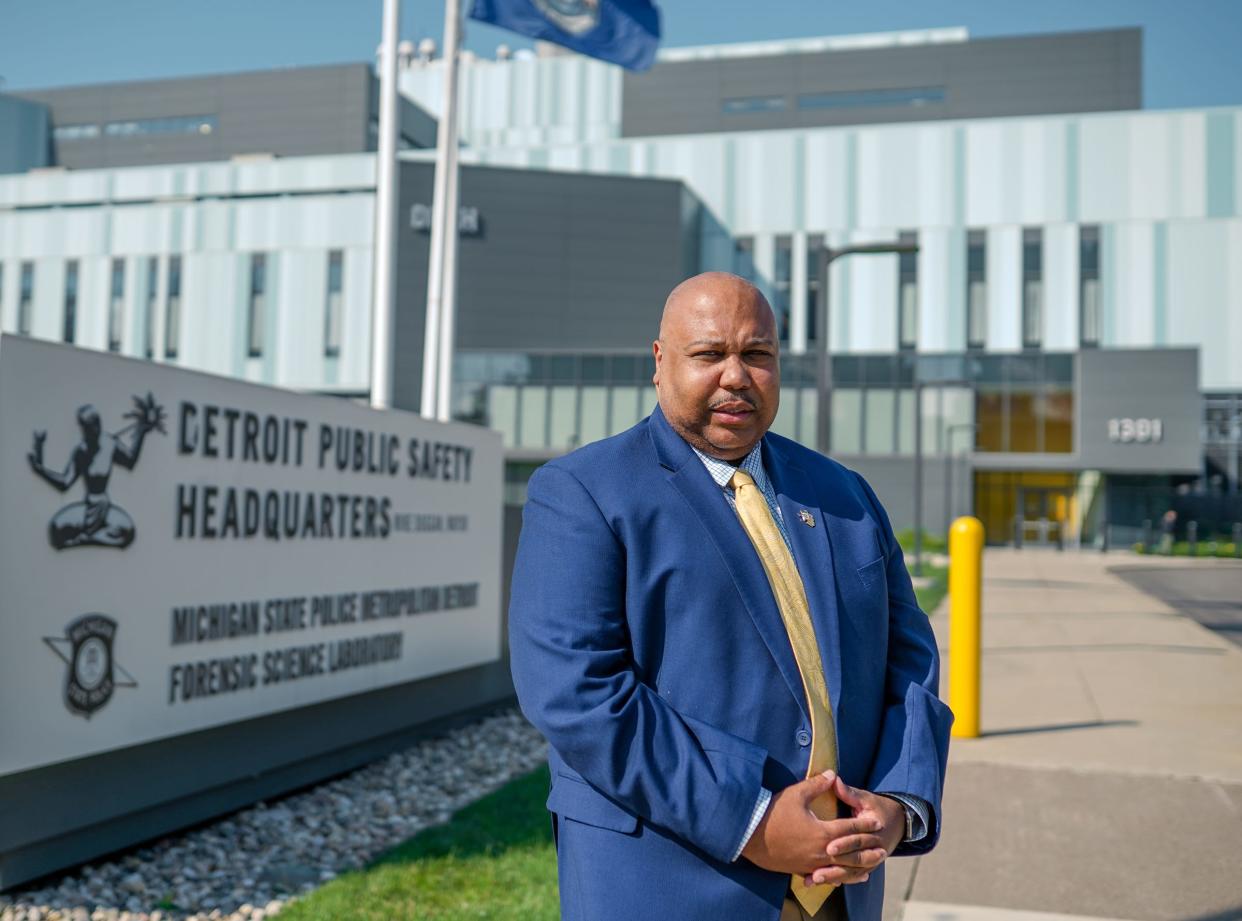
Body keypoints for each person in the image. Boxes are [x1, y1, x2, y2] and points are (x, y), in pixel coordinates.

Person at [509, 272, 951, 921]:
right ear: (659, 363)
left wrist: (896, 802)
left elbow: (909, 662)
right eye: (710, 353)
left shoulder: (845, 495)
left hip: (841, 890)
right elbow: (579, 692)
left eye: (758, 354)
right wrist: (754, 819)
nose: (737, 376)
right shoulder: (581, 493)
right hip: (669, 884)